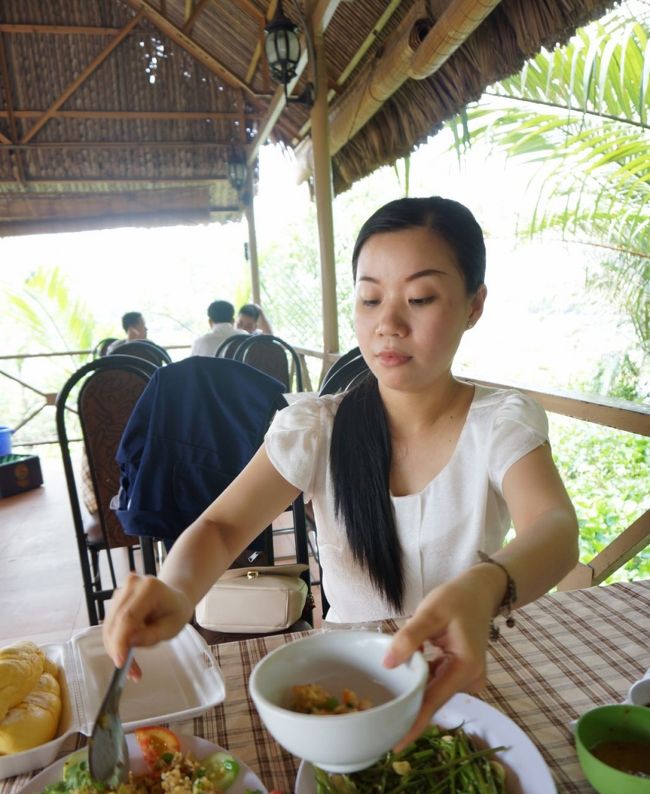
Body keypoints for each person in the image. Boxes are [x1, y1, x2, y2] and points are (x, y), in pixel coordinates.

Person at [103, 196, 579, 746]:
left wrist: (485, 585)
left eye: (420, 298)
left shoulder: (499, 423)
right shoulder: (317, 428)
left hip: (466, 684)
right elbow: (221, 528)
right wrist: (176, 589)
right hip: (350, 695)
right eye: (370, 298)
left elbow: (555, 529)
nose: (388, 324)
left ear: (474, 305)